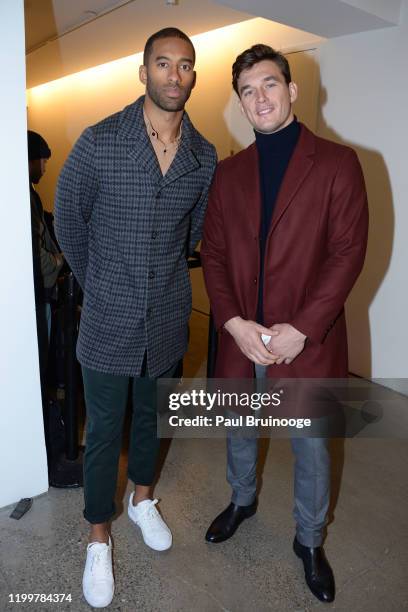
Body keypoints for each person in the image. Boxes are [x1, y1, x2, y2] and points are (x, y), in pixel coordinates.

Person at [54, 27, 216, 608]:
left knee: (152, 421)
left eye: (185, 66)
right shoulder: (100, 142)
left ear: (194, 76)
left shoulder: (204, 157)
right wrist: (101, 283)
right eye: (163, 64)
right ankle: (99, 536)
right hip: (106, 320)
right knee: (103, 433)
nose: (175, 75)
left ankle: (142, 498)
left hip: (169, 317)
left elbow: (194, 234)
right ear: (143, 71)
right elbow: (68, 221)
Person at [201, 44, 368, 603]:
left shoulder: (340, 164)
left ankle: (310, 540)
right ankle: (242, 500)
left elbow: (348, 253)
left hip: (307, 341)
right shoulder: (228, 175)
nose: (259, 97)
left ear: (293, 91)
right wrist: (231, 322)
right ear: (240, 103)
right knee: (240, 430)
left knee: (313, 446)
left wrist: (301, 328)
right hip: (242, 336)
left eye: (269, 84)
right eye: (247, 90)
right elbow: (217, 255)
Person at [28, 131, 64, 408]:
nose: (44, 167)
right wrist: (57, 262)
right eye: (43, 160)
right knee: (38, 358)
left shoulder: (30, 195)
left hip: (40, 292)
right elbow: (35, 251)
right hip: (39, 295)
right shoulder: (26, 198)